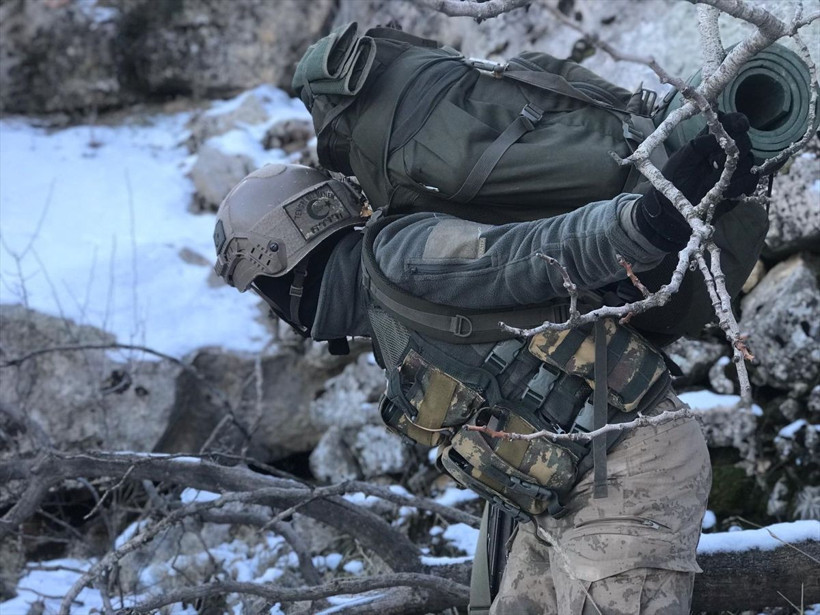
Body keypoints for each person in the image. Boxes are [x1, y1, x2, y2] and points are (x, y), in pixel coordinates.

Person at [212, 114, 757, 614]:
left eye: (265, 287)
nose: (273, 308)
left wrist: (647, 222)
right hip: (556, 500)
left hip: (627, 465)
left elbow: (532, 255)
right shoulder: (381, 315)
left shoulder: (403, 259)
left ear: (291, 264)